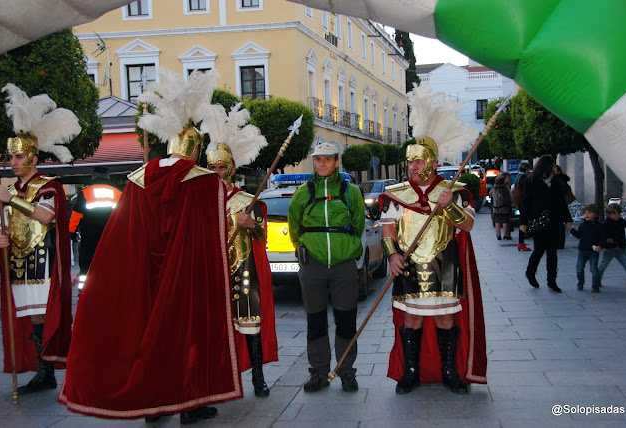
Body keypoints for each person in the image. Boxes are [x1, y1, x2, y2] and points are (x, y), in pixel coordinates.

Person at [58, 68, 242, 423]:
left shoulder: (138, 179)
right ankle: (190, 403)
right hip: (188, 278)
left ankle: (152, 405)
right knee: (187, 338)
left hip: (144, 275)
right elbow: (214, 236)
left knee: (149, 336)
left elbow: (123, 235)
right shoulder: (206, 184)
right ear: (196, 146)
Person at [379, 82, 487, 395]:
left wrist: (449, 205)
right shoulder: (396, 195)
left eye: (417, 161)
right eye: (409, 161)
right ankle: (410, 374)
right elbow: (388, 227)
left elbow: (466, 226)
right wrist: (392, 255)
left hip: (445, 264)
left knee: (444, 318)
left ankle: (450, 373)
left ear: (432, 162)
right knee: (410, 319)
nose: (411, 166)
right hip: (410, 264)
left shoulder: (454, 192)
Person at [0, 84, 76, 395]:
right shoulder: (14, 190)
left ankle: (47, 370)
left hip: (43, 262)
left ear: (31, 157)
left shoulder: (49, 185)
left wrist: (10, 199)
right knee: (30, 316)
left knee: (43, 314)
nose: (13, 161)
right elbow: (7, 226)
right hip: (19, 261)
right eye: (10, 156)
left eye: (18, 156)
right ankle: (43, 371)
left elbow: (46, 217)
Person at [288, 142, 366, 393]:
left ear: (336, 162)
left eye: (327, 159)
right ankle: (319, 372)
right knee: (316, 320)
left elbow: (358, 223)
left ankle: (346, 371)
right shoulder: (303, 192)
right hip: (313, 265)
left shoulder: (350, 191)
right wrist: (305, 247)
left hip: (343, 264)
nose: (321, 163)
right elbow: (294, 224)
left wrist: (350, 247)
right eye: (317, 159)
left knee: (346, 320)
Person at [207, 138, 277, 398]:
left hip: (244, 270)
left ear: (232, 170)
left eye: (221, 168)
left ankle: (258, 378)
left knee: (250, 326)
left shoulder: (248, 201)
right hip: (215, 272)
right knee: (215, 330)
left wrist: (251, 224)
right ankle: (219, 381)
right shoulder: (202, 202)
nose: (217, 173)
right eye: (212, 168)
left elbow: (260, 238)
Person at [520, 155, 573, 293]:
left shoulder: (556, 181)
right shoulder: (531, 181)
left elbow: (561, 202)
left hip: (554, 221)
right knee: (539, 250)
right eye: (552, 165)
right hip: (538, 220)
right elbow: (525, 202)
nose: (554, 167)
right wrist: (523, 222)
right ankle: (530, 273)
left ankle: (552, 281)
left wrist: (568, 219)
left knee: (552, 252)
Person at [68, 166, 122, 291]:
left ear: (94, 176)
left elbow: (77, 214)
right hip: (111, 235)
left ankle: (85, 291)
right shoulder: (117, 192)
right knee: (110, 263)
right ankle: (109, 289)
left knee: (87, 265)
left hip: (89, 236)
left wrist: (71, 231)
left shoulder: (86, 192)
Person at [598, 203, 626, 288]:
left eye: (618, 213)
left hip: (620, 248)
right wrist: (606, 240)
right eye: (615, 213)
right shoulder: (605, 224)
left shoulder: (621, 221)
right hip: (609, 249)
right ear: (609, 214)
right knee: (603, 266)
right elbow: (601, 235)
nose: (617, 215)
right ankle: (597, 281)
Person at [567, 204, 602, 292]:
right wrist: (571, 229)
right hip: (582, 250)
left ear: (595, 215)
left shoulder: (599, 226)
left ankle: (595, 285)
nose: (587, 215)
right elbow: (579, 235)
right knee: (579, 267)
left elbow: (602, 237)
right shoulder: (583, 225)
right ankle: (580, 282)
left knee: (593, 269)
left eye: (589, 213)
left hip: (593, 251)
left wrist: (600, 246)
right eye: (585, 213)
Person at [553, 165, 573, 249]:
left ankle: (559, 243)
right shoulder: (559, 180)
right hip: (559, 205)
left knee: (558, 225)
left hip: (558, 205)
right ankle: (559, 242)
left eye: (554, 171)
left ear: (558, 171)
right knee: (559, 225)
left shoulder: (558, 180)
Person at [513, 162, 531, 251]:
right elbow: (526, 191)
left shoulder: (517, 177)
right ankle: (521, 242)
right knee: (523, 222)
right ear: (526, 169)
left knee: (522, 221)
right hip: (524, 202)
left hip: (520, 202)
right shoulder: (523, 178)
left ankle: (521, 242)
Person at [489, 174, 512, 240]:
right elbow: (509, 198)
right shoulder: (505, 188)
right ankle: (505, 235)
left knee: (497, 221)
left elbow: (491, 197)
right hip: (504, 207)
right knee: (505, 221)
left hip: (495, 207)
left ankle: (498, 234)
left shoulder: (493, 189)